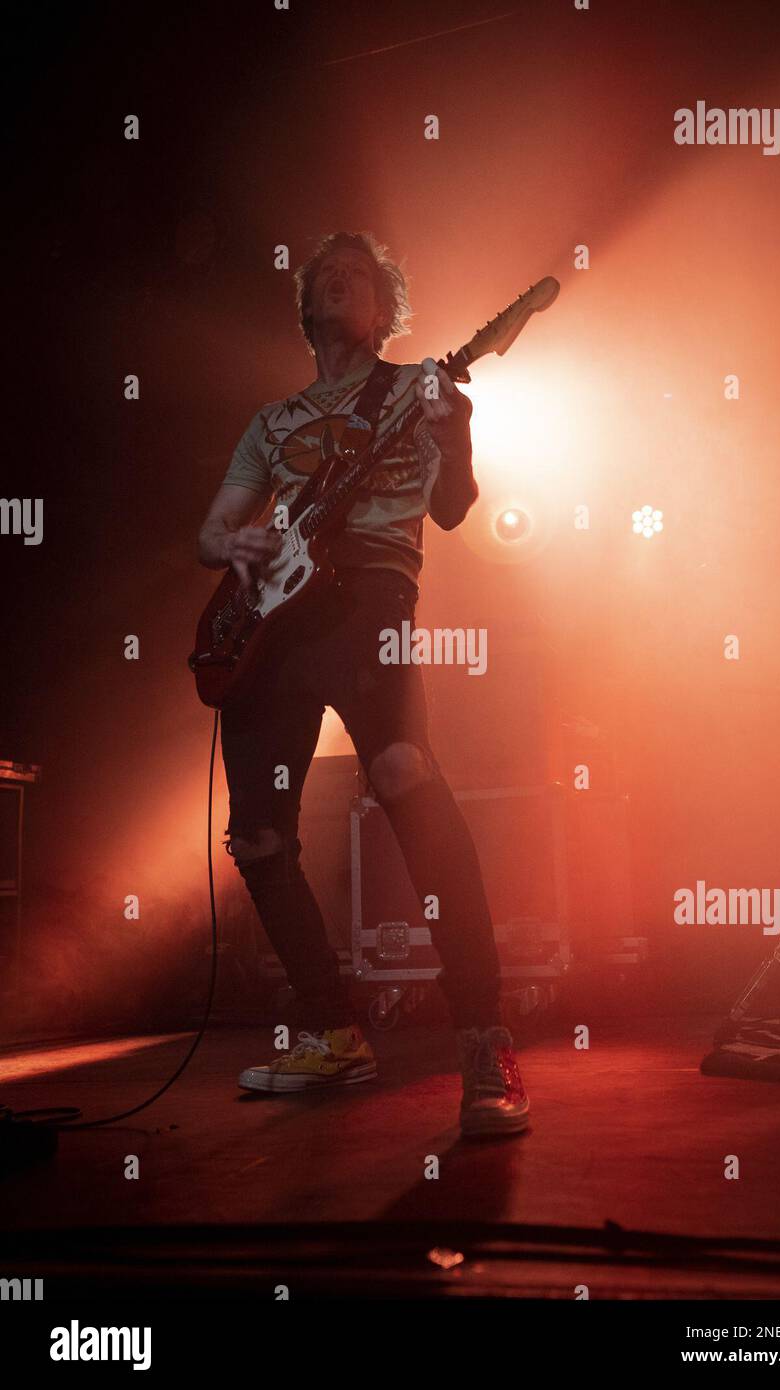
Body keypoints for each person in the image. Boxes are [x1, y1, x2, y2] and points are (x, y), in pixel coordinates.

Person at [197, 231, 528, 1136]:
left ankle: (485, 1042)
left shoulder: (416, 386)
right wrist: (236, 544)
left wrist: (457, 437)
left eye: (359, 274)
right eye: (323, 273)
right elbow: (213, 530)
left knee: (400, 774)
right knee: (260, 836)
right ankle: (332, 1030)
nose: (337, 276)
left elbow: (454, 509)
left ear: (385, 313)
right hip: (271, 623)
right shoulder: (272, 423)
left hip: (371, 596)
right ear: (305, 308)